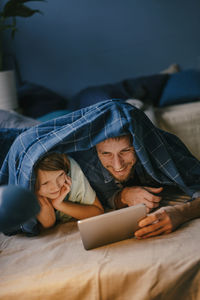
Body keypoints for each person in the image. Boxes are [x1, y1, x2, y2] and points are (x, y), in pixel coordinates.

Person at [79, 134, 200, 239]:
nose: (117, 165)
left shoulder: (164, 146)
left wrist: (181, 213)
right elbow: (106, 196)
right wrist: (123, 196)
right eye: (106, 153)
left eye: (125, 150)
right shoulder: (89, 162)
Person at [34, 152, 104, 229]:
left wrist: (59, 204)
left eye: (60, 175)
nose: (56, 187)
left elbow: (98, 212)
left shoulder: (70, 169)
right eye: (45, 183)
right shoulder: (28, 187)